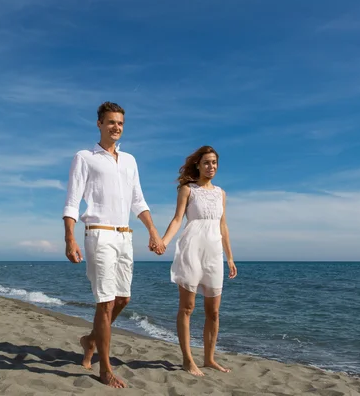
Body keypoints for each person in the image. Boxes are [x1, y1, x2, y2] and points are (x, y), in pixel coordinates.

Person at [62, 101, 166, 388]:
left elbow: (138, 201)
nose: (116, 127)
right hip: (98, 233)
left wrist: (153, 232)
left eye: (120, 122)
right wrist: (70, 237)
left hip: (125, 236)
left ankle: (90, 339)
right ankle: (104, 368)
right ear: (99, 124)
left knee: (123, 300)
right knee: (105, 303)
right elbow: (72, 201)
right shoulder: (85, 157)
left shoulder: (130, 160)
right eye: (110, 122)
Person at [160, 145, 238, 377]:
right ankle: (187, 359)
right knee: (187, 307)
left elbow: (223, 226)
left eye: (214, 162)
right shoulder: (187, 190)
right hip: (191, 251)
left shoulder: (221, 193)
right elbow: (177, 220)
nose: (211, 166)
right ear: (198, 164)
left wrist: (230, 258)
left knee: (213, 312)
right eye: (206, 162)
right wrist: (163, 241)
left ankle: (209, 358)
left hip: (214, 254)